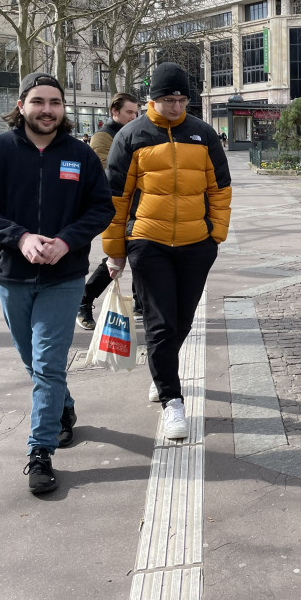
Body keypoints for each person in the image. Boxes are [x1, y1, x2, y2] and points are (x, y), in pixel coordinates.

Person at [0, 72, 114, 494]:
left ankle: (39, 451)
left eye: (55, 102)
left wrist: (66, 241)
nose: (47, 110)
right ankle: (62, 409)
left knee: (47, 364)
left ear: (63, 109)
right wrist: (21, 238)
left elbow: (101, 208)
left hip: (63, 278)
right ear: (21, 105)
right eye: (38, 102)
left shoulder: (80, 156)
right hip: (11, 276)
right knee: (33, 362)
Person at [103, 63, 231, 439]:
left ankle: (162, 373)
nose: (175, 107)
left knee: (182, 322)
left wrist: (215, 237)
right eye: (167, 100)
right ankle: (172, 400)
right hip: (148, 242)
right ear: (151, 100)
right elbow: (115, 198)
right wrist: (115, 251)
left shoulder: (203, 134)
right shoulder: (130, 136)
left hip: (196, 244)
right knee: (160, 325)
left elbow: (220, 190)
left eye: (181, 100)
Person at [76, 92, 141, 330]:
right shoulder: (103, 137)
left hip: (139, 206)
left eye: (136, 112)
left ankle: (141, 304)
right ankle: (84, 301)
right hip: (115, 207)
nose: (134, 116)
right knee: (116, 259)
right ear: (114, 111)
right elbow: (109, 172)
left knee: (141, 254)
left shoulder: (138, 132)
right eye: (129, 112)